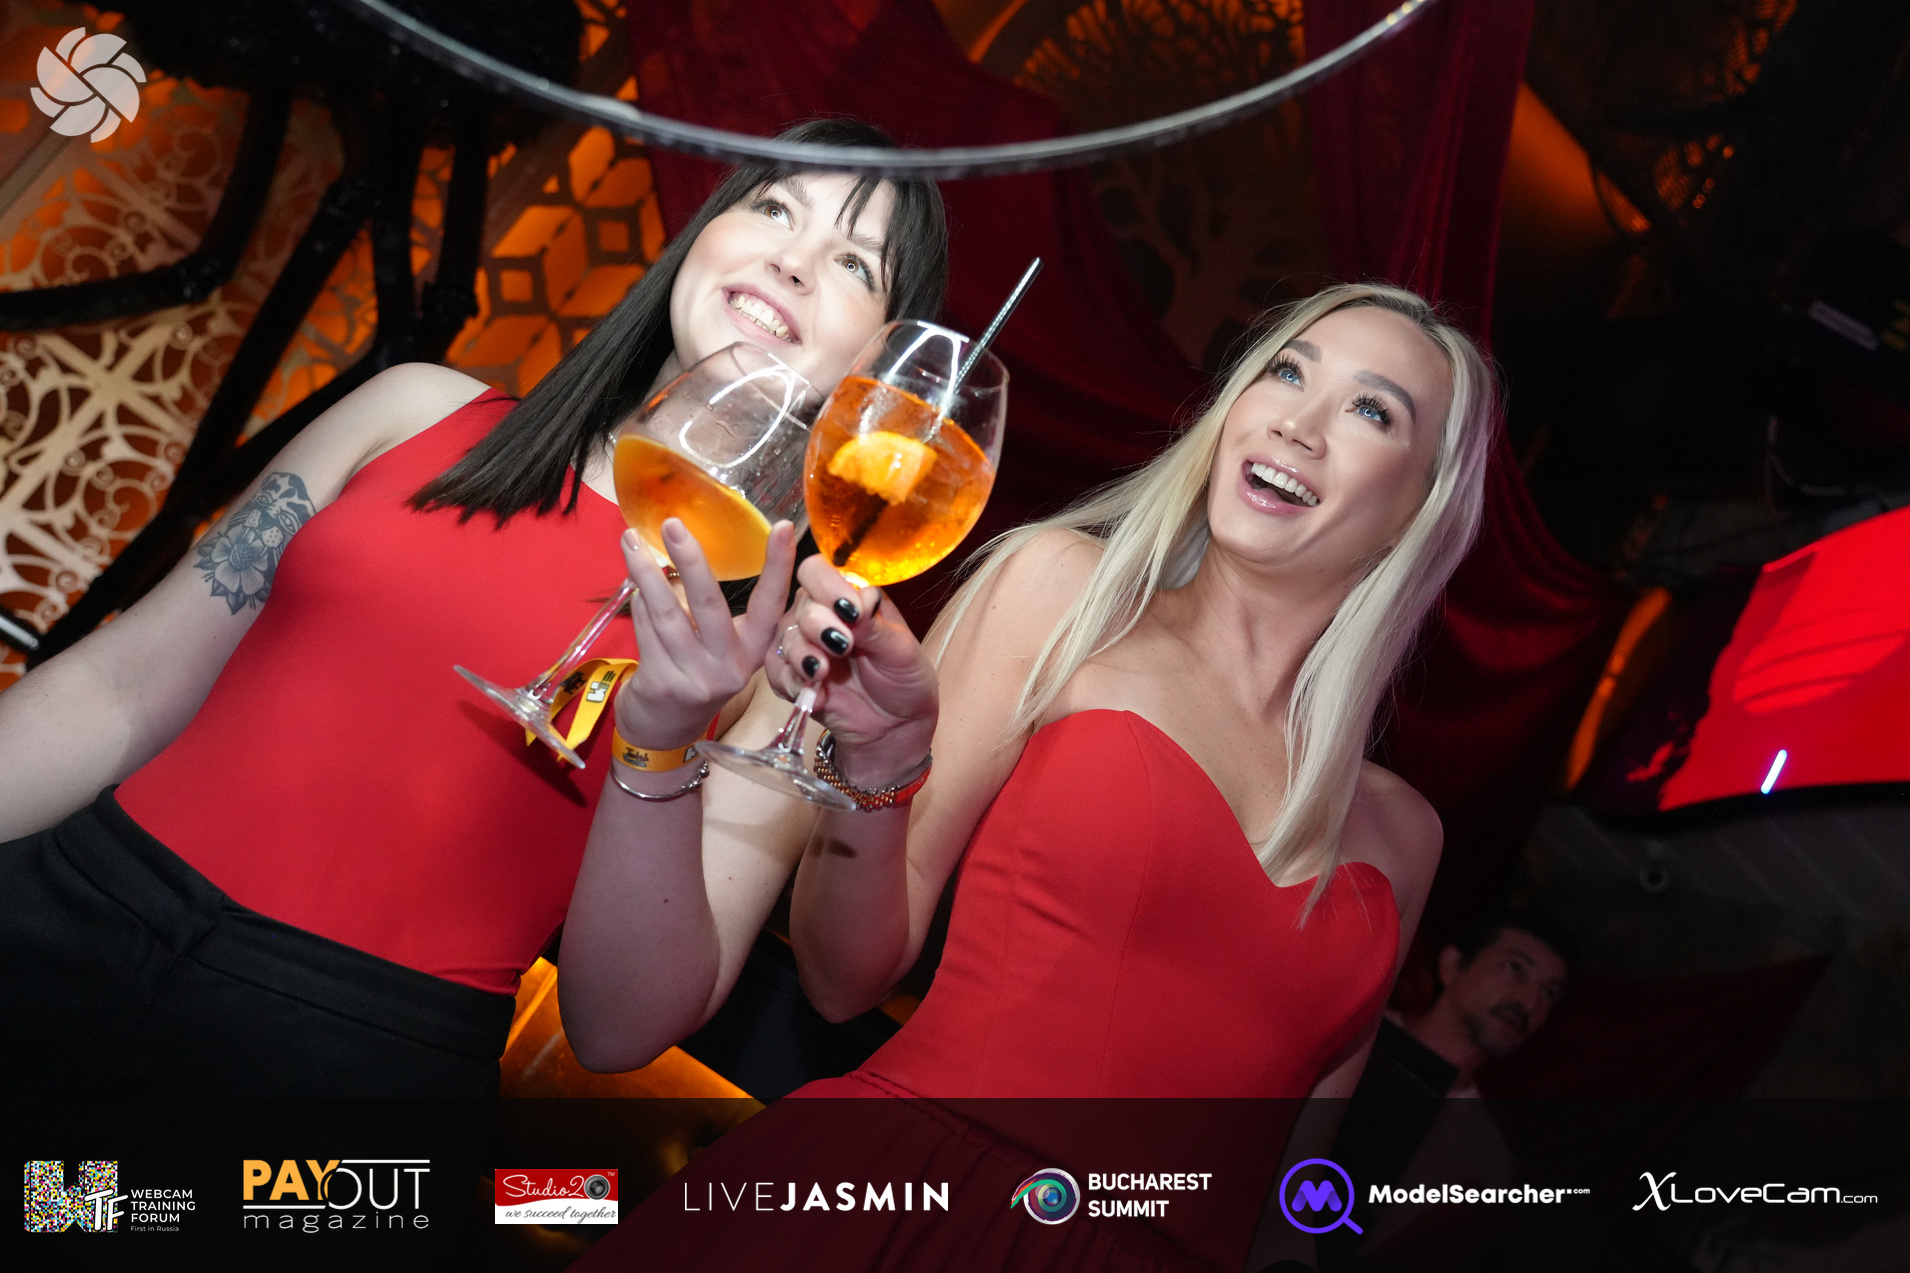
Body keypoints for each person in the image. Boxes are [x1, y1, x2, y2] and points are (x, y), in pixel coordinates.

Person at [560, 281, 1500, 1271]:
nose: (1296, 423)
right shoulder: (1062, 597)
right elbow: (841, 980)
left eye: (1369, 410)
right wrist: (880, 770)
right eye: (1285, 372)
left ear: (1417, 508)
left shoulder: (1404, 836)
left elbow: (1290, 1202)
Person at [0, 118, 948, 1098]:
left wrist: (660, 742)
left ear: (879, 373)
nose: (792, 261)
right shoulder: (417, 409)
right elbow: (125, 686)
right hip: (62, 917)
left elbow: (618, 1026)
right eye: (774, 207)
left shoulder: (797, 660)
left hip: (345, 1073)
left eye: (853, 263)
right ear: (701, 233)